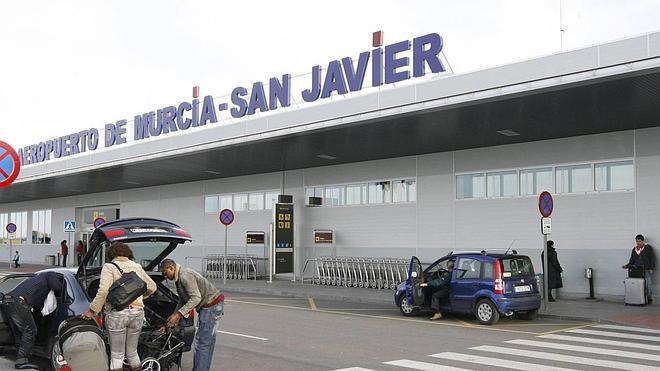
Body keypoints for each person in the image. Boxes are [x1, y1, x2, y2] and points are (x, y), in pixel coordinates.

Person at [82, 242, 156, 371]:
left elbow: (104, 291)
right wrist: (140, 297)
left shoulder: (109, 267)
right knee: (132, 352)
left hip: (117, 314)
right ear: (128, 253)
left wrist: (92, 310)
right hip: (137, 313)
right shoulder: (136, 266)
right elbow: (152, 287)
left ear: (111, 254)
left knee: (117, 355)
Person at [160, 258, 224, 371]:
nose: (165, 276)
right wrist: (174, 316)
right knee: (207, 343)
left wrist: (178, 315)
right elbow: (182, 300)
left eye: (165, 273)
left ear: (171, 267)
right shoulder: (179, 278)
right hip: (209, 306)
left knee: (202, 343)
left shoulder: (185, 275)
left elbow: (195, 298)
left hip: (211, 306)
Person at [3, 271, 63, 369]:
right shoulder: (50, 274)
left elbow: (38, 304)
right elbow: (57, 287)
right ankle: (22, 360)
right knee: (30, 330)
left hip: (9, 300)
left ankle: (20, 357)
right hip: (20, 301)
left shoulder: (38, 279)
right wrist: (62, 287)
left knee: (19, 332)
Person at [623, 234, 655, 303]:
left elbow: (652, 258)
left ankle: (649, 298)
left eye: (640, 241)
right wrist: (627, 266)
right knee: (639, 284)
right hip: (637, 270)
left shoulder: (648, 248)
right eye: (637, 241)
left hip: (646, 269)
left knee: (648, 284)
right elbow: (631, 260)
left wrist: (651, 268)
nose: (638, 243)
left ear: (643, 241)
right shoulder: (634, 250)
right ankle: (640, 298)